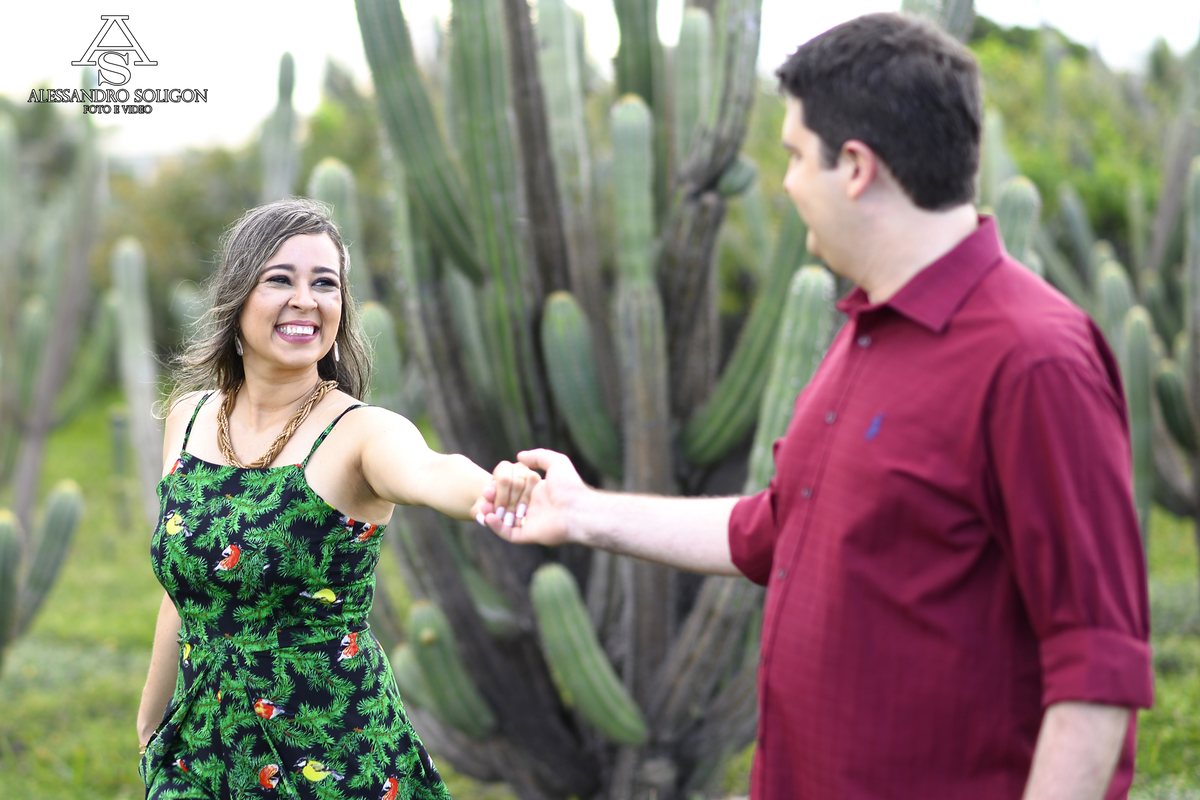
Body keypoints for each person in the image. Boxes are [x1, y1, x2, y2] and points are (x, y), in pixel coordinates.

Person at [479, 12, 1153, 800]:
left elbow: (1096, 673)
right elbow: (777, 526)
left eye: (797, 155)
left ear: (857, 167)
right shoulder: (865, 331)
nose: (788, 180)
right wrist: (587, 513)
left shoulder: (1035, 360)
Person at [136, 198, 537, 799]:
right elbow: (189, 591)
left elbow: (430, 471)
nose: (306, 299)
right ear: (237, 295)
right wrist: (150, 721)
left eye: (325, 283)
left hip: (331, 760)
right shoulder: (188, 419)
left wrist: (493, 490)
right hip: (202, 755)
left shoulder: (360, 432)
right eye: (280, 279)